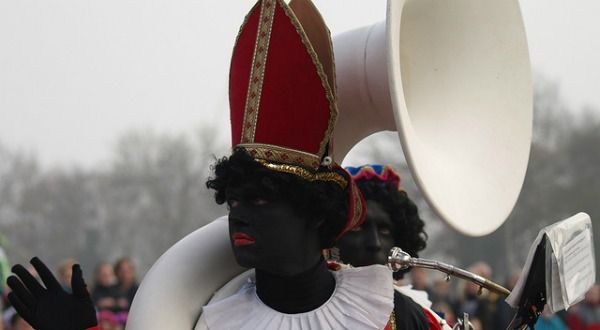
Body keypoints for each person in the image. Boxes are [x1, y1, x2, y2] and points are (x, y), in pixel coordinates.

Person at [5, 0, 424, 329]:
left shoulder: (393, 316)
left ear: (313, 214)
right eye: (234, 201)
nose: (238, 215)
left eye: (258, 201)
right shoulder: (210, 321)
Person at [336, 165, 448, 329]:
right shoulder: (306, 308)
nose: (375, 243)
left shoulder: (415, 317)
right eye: (358, 228)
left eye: (385, 231)